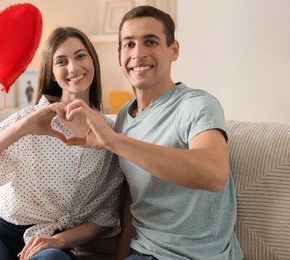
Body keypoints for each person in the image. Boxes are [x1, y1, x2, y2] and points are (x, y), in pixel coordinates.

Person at [56, 6, 244, 260]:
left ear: (173, 50)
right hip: (143, 251)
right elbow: (134, 197)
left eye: (150, 42)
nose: (138, 53)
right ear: (120, 54)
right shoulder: (124, 116)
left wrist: (115, 141)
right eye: (129, 44)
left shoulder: (196, 104)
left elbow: (213, 174)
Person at [0, 26, 124, 260]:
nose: (73, 67)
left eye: (80, 56)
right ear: (52, 72)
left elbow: (104, 217)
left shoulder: (109, 134)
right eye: (61, 61)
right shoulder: (31, 118)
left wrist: (58, 240)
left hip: (53, 242)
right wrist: (23, 128)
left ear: (93, 62)